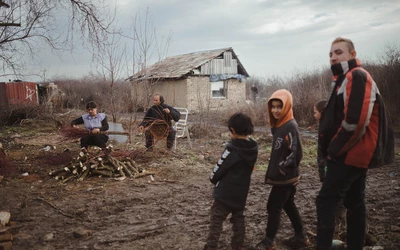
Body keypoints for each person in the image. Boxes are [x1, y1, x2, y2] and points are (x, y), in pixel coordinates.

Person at [316, 37, 394, 250]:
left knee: (325, 201)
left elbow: (355, 122)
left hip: (351, 153)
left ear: (352, 54)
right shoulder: (342, 79)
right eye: (331, 54)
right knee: (355, 202)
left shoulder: (356, 76)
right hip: (354, 153)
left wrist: (332, 151)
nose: (333, 57)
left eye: (338, 52)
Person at [256, 89, 309, 250]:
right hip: (284, 175)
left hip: (286, 176)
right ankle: (301, 236)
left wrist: (282, 166)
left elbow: (296, 153)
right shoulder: (279, 125)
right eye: (273, 107)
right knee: (288, 204)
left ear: (287, 106)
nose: (276, 110)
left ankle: (269, 241)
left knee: (273, 206)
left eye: (279, 107)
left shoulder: (290, 125)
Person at [204, 112, 258, 250]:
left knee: (216, 220)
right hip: (241, 193)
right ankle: (238, 245)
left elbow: (221, 166)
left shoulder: (232, 148)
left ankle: (211, 246)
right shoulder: (253, 148)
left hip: (224, 194)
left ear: (232, 130)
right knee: (239, 220)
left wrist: (212, 178)